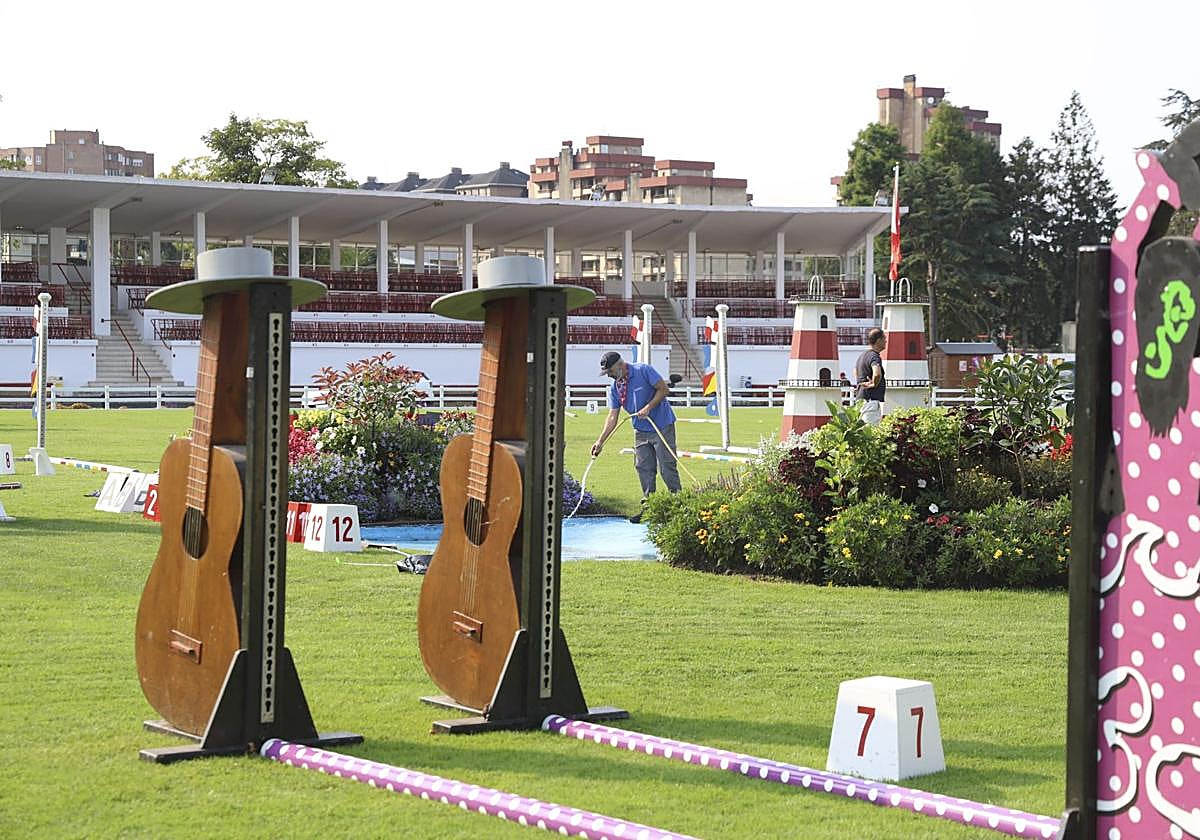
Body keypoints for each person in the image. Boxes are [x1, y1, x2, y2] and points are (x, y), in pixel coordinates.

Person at [591, 351, 681, 521]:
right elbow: (612, 416)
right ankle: (649, 508)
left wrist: (648, 407)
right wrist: (600, 441)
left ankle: (678, 506)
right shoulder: (616, 388)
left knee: (667, 466)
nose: (609, 375)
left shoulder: (643, 370)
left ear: (620, 365)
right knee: (643, 467)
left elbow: (664, 390)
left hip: (662, 425)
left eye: (610, 371)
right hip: (640, 431)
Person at [854, 328, 887, 425]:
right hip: (870, 401)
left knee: (861, 429)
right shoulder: (874, 356)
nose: (886, 341)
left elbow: (855, 370)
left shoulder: (863, 355)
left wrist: (861, 382)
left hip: (861, 400)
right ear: (878, 340)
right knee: (871, 430)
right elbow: (877, 373)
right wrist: (874, 383)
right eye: (884, 338)